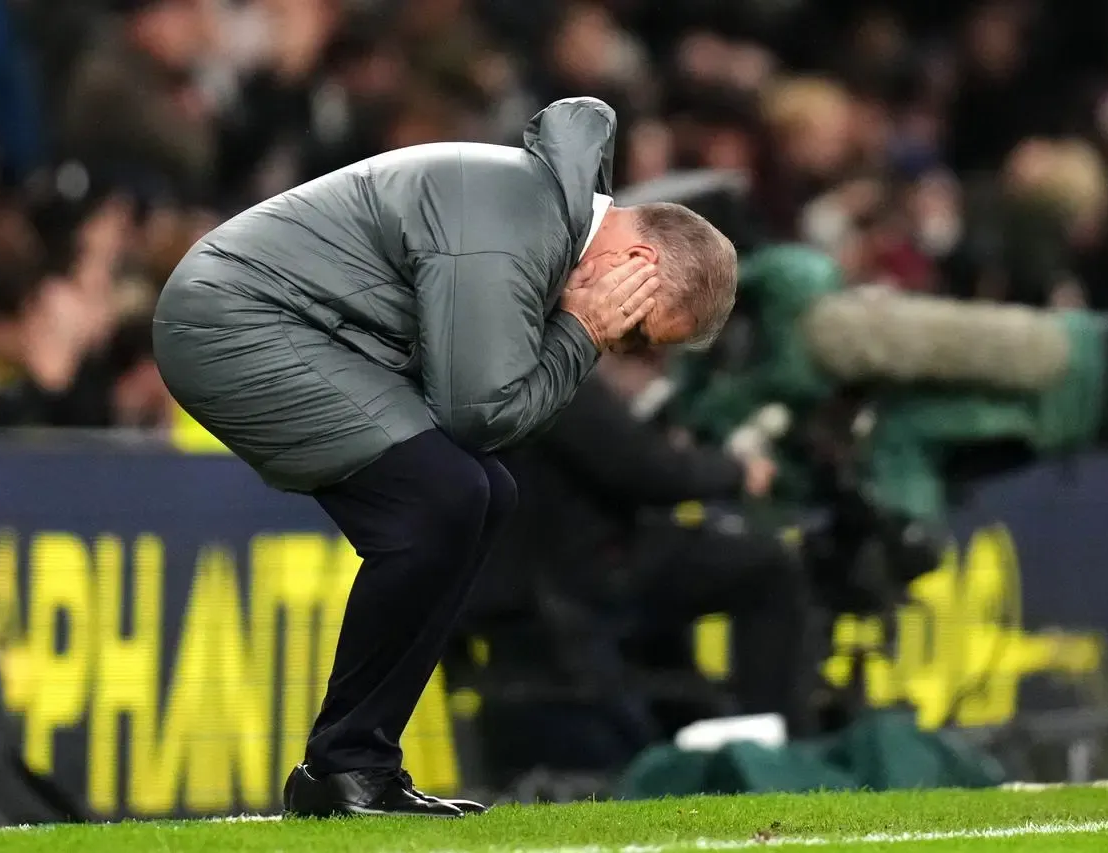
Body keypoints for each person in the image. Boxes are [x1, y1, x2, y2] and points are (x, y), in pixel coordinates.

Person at [151, 97, 739, 818]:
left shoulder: (538, 221)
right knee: (445, 493)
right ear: (637, 262)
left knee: (482, 493)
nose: (625, 348)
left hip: (300, 323)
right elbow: (480, 414)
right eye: (641, 331)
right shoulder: (517, 228)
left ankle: (355, 763)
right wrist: (581, 330)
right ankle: (344, 766)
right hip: (234, 322)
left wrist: (572, 333)